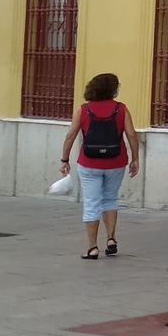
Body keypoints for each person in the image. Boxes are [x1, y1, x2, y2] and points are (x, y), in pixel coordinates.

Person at [58, 73, 141, 260]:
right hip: (116, 162)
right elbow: (132, 134)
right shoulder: (121, 109)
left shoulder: (84, 109)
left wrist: (64, 159)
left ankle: (92, 248)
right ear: (113, 89)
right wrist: (135, 159)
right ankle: (111, 239)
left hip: (89, 163)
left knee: (91, 203)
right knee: (110, 199)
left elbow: (70, 135)